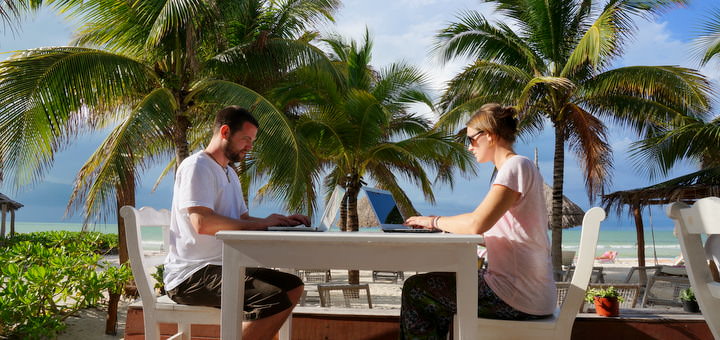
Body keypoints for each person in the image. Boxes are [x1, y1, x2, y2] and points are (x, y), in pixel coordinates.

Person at [399, 103, 556, 339]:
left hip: (517, 296)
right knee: (438, 288)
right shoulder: (520, 167)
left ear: (489, 136)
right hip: (531, 293)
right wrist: (436, 221)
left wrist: (433, 222)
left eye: (471, 139)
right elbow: (480, 222)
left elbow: (475, 224)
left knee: (416, 288)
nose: (469, 147)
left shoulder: (514, 166)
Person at [163, 105, 308, 339]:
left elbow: (242, 219)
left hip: (222, 267)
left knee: (293, 286)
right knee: (272, 297)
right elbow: (202, 223)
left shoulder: (229, 172)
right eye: (246, 139)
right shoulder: (197, 166)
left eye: (252, 141)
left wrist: (276, 221)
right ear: (225, 132)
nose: (250, 146)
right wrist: (261, 225)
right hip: (191, 275)